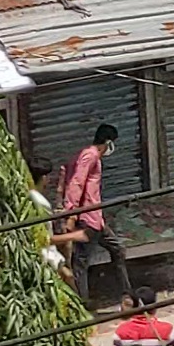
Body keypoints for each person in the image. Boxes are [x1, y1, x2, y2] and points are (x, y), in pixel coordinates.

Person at [59, 124, 130, 294]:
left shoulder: (87, 156)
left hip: (95, 218)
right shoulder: (90, 156)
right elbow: (77, 182)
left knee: (117, 249)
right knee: (81, 262)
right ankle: (82, 302)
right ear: (107, 142)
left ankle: (126, 293)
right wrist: (72, 213)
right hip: (87, 219)